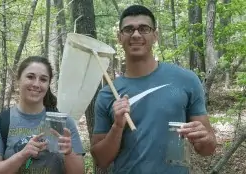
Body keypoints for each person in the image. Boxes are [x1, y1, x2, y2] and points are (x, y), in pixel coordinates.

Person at [90, 5, 217, 174]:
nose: (136, 34)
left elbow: (207, 149)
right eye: (128, 29)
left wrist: (205, 138)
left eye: (144, 29)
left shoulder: (186, 80)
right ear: (119, 37)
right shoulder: (107, 94)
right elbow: (100, 160)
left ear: (155, 35)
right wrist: (118, 126)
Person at [0, 56, 85, 174]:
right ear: (18, 79)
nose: (36, 84)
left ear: (48, 84)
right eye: (30, 77)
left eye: (43, 79)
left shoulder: (64, 122)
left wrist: (69, 153)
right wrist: (22, 155)